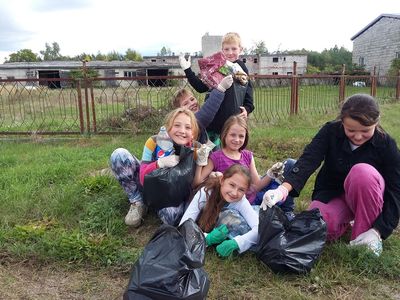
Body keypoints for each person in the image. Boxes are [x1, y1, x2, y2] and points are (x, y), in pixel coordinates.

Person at [261, 94, 400, 256]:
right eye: (351, 130)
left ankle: (365, 236)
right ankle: (344, 221)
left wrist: (379, 230)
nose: (358, 136)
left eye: (365, 130)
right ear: (342, 122)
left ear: (376, 123)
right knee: (314, 228)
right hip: (334, 193)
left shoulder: (386, 144)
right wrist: (282, 190)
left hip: (368, 195)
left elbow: (396, 189)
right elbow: (308, 160)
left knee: (362, 172)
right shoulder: (330, 131)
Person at [110, 108, 199, 227]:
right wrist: (159, 163)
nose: (182, 131)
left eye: (188, 127)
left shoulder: (195, 149)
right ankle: (137, 201)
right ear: (168, 127)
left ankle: (155, 206)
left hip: (169, 195)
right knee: (119, 155)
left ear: (193, 133)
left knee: (173, 218)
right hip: (146, 185)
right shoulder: (154, 141)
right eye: (177, 125)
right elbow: (142, 178)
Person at [193, 115, 296, 217]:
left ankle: (288, 213)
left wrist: (270, 174)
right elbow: (197, 183)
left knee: (290, 164)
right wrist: (200, 163)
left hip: (254, 198)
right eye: (233, 135)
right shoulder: (216, 157)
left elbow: (256, 186)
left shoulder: (247, 155)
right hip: (233, 205)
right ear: (224, 135)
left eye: (241, 136)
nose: (237, 140)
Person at [179, 32, 254, 145]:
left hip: (232, 125)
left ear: (241, 49)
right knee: (210, 155)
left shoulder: (241, 69)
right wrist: (187, 70)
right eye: (226, 49)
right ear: (222, 50)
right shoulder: (218, 67)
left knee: (229, 156)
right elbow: (201, 87)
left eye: (234, 48)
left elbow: (248, 94)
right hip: (212, 123)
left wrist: (247, 109)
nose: (230, 52)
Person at [179, 164, 258, 257]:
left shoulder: (241, 200)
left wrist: (236, 243)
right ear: (222, 180)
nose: (234, 193)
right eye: (232, 185)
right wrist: (207, 238)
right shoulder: (205, 193)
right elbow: (183, 226)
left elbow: (259, 228)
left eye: (241, 190)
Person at [172, 74, 233, 144]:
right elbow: (204, 115)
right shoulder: (186, 123)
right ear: (179, 110)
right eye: (186, 103)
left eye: (192, 99)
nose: (192, 103)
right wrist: (220, 89)